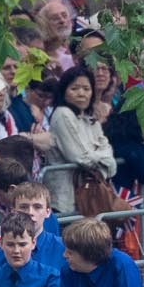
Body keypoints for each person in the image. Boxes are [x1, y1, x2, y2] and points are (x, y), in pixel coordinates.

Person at [45, 65, 116, 214]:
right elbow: (80, 157)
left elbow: (107, 150)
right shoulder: (62, 114)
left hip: (87, 196)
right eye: (75, 88)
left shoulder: (89, 117)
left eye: (86, 88)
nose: (81, 93)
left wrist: (100, 158)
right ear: (64, 91)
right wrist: (103, 160)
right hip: (65, 198)